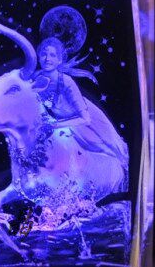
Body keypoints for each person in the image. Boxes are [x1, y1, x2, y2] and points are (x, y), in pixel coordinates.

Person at [34, 37, 129, 181]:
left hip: (86, 124)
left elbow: (85, 118)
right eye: (43, 54)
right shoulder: (37, 79)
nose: (47, 59)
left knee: (109, 151)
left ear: (59, 60)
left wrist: (55, 125)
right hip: (63, 125)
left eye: (52, 55)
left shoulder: (66, 82)